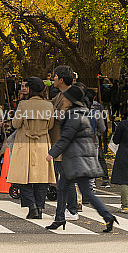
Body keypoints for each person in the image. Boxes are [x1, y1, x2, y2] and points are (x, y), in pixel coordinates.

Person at [45, 85, 116, 232]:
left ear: (71, 100)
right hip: (78, 158)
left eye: (65, 97)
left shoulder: (74, 115)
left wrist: (52, 153)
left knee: (81, 192)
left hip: (77, 160)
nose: (63, 99)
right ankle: (60, 218)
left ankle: (107, 216)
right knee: (65, 188)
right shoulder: (80, 113)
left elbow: (66, 138)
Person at [7, 76, 55, 219]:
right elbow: (51, 125)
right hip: (42, 143)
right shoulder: (49, 105)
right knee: (42, 178)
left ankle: (32, 206)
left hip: (25, 142)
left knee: (23, 178)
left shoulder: (23, 105)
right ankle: (39, 208)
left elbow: (15, 124)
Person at [48, 66, 79, 222]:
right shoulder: (61, 94)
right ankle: (70, 208)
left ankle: (72, 209)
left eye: (54, 76)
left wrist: (51, 111)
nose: (52, 79)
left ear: (61, 79)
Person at [111, 117, 128, 213]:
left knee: (125, 180)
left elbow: (116, 140)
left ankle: (125, 206)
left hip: (124, 154)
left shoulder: (123, 124)